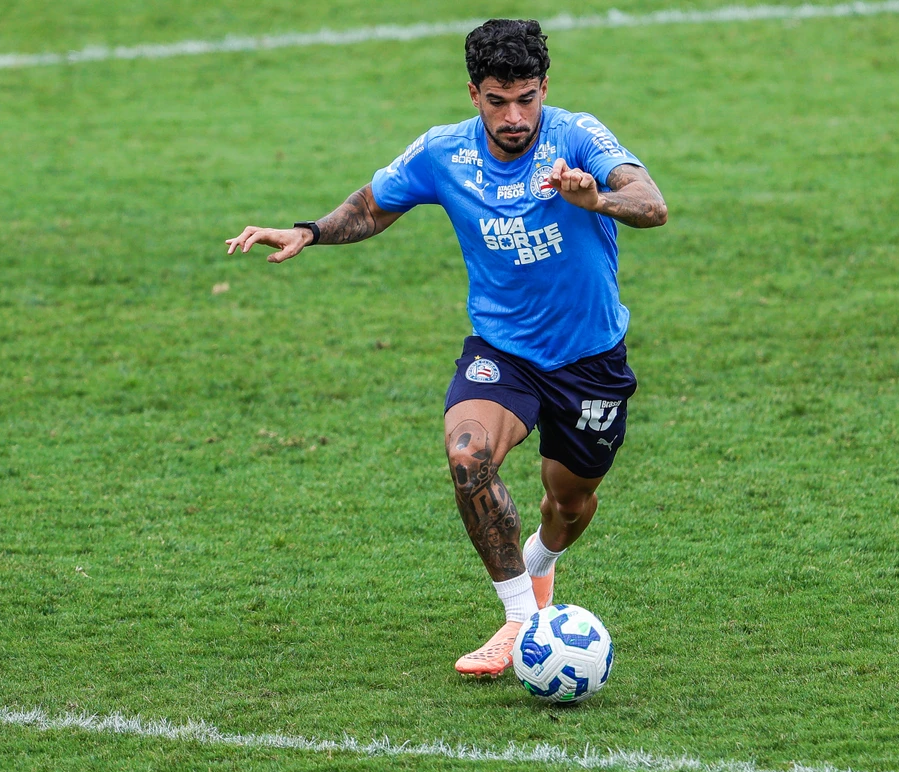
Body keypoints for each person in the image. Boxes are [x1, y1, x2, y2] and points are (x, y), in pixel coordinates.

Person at [226, 18, 667, 677]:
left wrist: (595, 197)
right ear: (473, 93)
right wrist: (309, 232)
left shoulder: (577, 136)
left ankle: (541, 567)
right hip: (503, 351)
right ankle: (522, 622)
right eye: (497, 100)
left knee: (566, 506)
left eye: (526, 98)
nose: (514, 116)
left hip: (589, 360)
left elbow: (651, 203)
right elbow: (375, 205)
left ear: (545, 87)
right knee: (468, 458)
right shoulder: (444, 154)